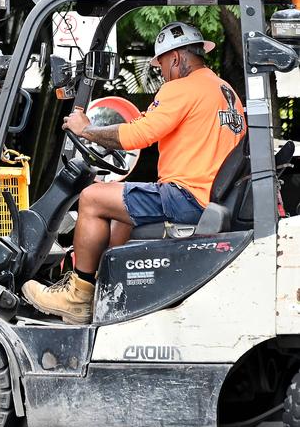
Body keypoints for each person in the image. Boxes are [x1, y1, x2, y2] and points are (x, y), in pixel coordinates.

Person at [22, 22, 246, 325]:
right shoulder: (223, 89)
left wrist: (87, 130)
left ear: (177, 59)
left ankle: (78, 296)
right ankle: (108, 286)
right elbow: (151, 121)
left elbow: (137, 136)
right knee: (116, 209)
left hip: (187, 196)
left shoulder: (181, 88)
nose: (162, 74)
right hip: (208, 195)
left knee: (91, 198)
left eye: (162, 66)